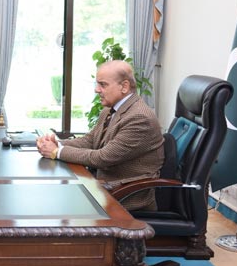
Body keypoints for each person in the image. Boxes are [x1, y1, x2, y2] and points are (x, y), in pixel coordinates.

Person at [36, 60, 164, 211]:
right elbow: (90, 141)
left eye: (103, 85)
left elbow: (103, 158)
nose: (97, 90)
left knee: (53, 201)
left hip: (124, 195)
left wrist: (56, 152)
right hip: (104, 185)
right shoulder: (111, 110)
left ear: (124, 86)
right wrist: (57, 144)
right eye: (97, 84)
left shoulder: (139, 118)